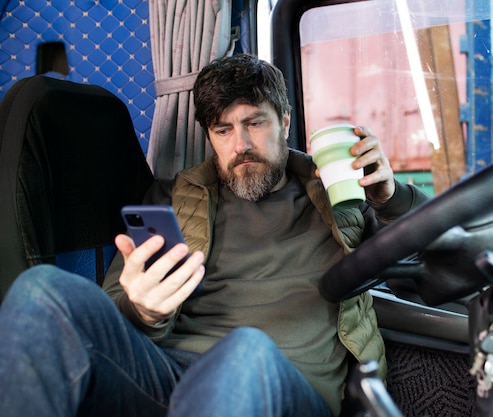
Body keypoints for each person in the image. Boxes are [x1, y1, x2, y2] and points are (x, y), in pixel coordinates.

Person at [0, 53, 429, 417]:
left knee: (243, 351)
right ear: (210, 136)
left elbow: (437, 254)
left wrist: (389, 197)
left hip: (283, 384)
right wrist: (142, 312)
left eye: (254, 123)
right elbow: (116, 308)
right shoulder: (172, 198)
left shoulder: (340, 195)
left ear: (284, 121)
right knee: (42, 290)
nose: (240, 144)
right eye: (223, 130)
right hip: (172, 376)